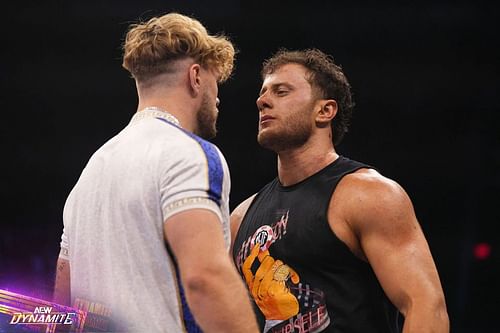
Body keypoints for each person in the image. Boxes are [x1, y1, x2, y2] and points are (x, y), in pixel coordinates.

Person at [54, 12, 258, 333]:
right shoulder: (188, 154)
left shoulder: (91, 171)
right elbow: (205, 278)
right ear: (195, 77)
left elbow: (62, 300)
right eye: (215, 81)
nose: (217, 97)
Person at [231, 49, 449, 333]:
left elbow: (425, 306)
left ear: (325, 111)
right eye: (263, 93)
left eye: (281, 91)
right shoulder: (240, 217)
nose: (262, 101)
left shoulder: (368, 195)